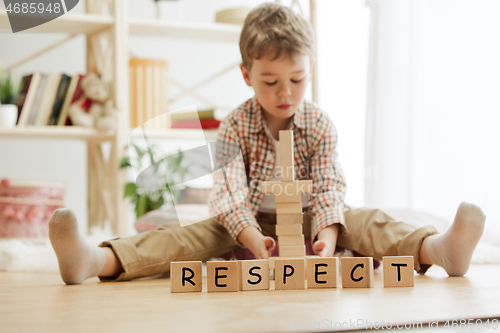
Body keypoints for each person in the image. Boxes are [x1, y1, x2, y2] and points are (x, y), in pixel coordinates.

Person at [49, 3, 486, 285]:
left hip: (315, 217)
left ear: (309, 71)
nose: (285, 93)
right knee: (186, 235)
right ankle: (97, 261)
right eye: (270, 81)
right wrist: (250, 236)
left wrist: (329, 235)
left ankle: (439, 250)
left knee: (369, 220)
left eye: (297, 80)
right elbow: (228, 192)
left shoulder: (318, 123)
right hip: (250, 220)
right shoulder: (236, 124)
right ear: (246, 75)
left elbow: (331, 184)